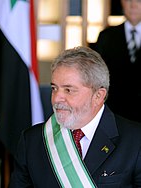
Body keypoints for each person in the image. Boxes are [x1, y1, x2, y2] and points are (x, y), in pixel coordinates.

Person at [9, 46, 141, 187]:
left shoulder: (135, 140)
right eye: (54, 88)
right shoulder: (32, 141)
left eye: (68, 90)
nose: (57, 98)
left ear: (98, 95)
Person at [94, 0, 141, 122]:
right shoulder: (106, 36)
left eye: (138, 1)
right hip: (115, 114)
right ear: (122, 3)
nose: (133, 5)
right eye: (128, 0)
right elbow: (97, 76)